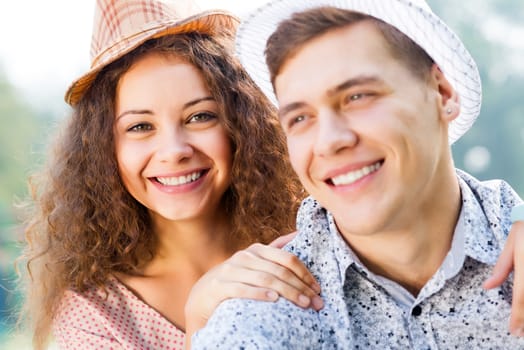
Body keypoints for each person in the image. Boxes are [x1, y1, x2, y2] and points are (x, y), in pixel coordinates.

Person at [191, 0, 524, 348]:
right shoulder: (257, 323)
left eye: (357, 96)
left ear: (442, 93)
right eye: (300, 118)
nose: (329, 142)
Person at [18, 0, 324, 349]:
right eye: (140, 126)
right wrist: (201, 321)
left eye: (200, 116)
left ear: (243, 125)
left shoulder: (308, 242)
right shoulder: (96, 314)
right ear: (104, 151)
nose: (174, 150)